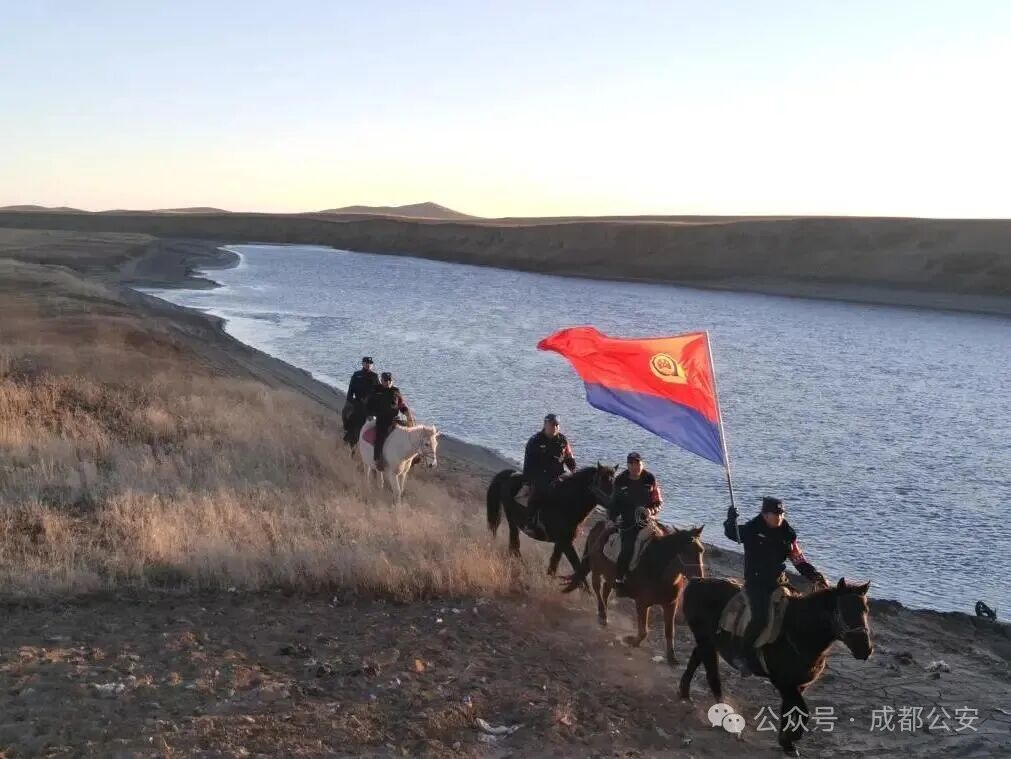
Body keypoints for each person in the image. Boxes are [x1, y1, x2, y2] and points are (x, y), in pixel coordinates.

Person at [724, 496, 828, 674]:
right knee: (759, 618)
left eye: (782, 513)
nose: (779, 517)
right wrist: (730, 520)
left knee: (800, 611)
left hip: (779, 581)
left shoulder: (788, 534)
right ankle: (744, 655)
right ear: (765, 515)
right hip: (756, 583)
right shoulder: (751, 529)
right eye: (775, 514)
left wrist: (814, 575)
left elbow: (798, 560)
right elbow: (732, 533)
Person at [608, 451, 663, 595]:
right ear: (627, 465)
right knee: (627, 549)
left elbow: (658, 501)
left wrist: (651, 510)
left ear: (642, 463)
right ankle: (619, 581)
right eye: (632, 464)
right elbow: (613, 504)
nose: (635, 466)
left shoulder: (650, 478)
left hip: (647, 521)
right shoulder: (620, 480)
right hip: (628, 523)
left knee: (664, 541)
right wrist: (613, 519)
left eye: (638, 463)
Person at [521, 413, 576, 515]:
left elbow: (569, 458)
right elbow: (528, 463)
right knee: (537, 497)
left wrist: (574, 471)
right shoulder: (535, 441)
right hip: (540, 476)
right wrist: (527, 482)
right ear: (545, 425)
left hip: (558, 474)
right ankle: (531, 519)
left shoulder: (563, 440)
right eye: (552, 424)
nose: (555, 427)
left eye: (557, 425)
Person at [367, 372, 411, 471]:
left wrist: (407, 413)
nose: (388, 382)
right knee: (380, 437)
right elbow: (369, 404)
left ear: (392, 381)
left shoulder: (396, 391)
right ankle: (377, 459)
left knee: (409, 432)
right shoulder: (376, 390)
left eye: (390, 380)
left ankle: (412, 458)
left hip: (395, 419)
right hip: (382, 420)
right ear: (381, 380)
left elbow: (401, 405)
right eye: (385, 380)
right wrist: (371, 414)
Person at [343, 356, 380, 443]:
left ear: (372, 365)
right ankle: (347, 430)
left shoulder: (375, 376)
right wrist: (350, 401)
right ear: (363, 364)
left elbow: (379, 392)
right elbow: (350, 390)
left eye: (370, 363)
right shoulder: (356, 375)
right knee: (345, 412)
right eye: (366, 363)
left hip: (370, 404)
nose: (368, 365)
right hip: (358, 402)